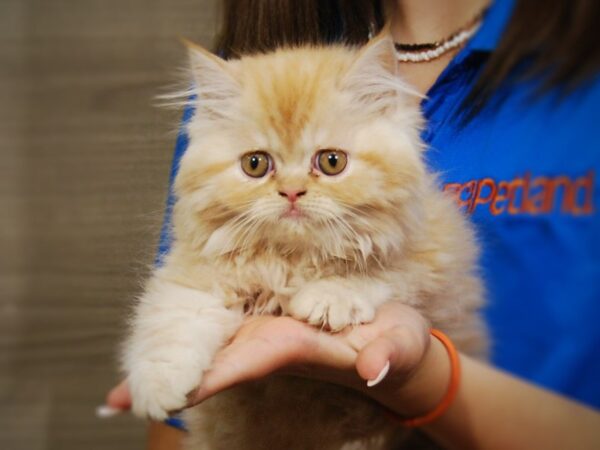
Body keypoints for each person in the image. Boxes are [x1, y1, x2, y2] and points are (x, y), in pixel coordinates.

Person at [104, 0, 600, 448]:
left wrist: (421, 375)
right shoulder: (251, 67)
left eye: (331, 163)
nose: (292, 189)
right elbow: (179, 392)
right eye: (258, 165)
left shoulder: (577, 70)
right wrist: (174, 344)